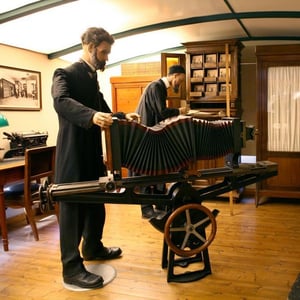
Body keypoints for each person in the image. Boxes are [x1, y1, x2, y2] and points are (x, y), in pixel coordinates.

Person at [51, 27, 140, 289]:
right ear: (90, 48)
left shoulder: (91, 78)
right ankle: (71, 268)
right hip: (72, 155)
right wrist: (90, 116)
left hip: (92, 154)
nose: (106, 57)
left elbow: (102, 109)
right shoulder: (64, 73)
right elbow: (61, 100)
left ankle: (92, 247)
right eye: (103, 52)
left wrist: (123, 117)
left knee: (95, 203)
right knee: (73, 210)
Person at [134, 64, 187, 219]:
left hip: (150, 134)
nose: (180, 84)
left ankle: (160, 204)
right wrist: (179, 111)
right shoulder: (157, 87)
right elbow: (161, 113)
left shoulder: (158, 87)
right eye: (181, 80)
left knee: (158, 168)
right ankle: (146, 209)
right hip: (147, 135)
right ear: (175, 75)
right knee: (146, 170)